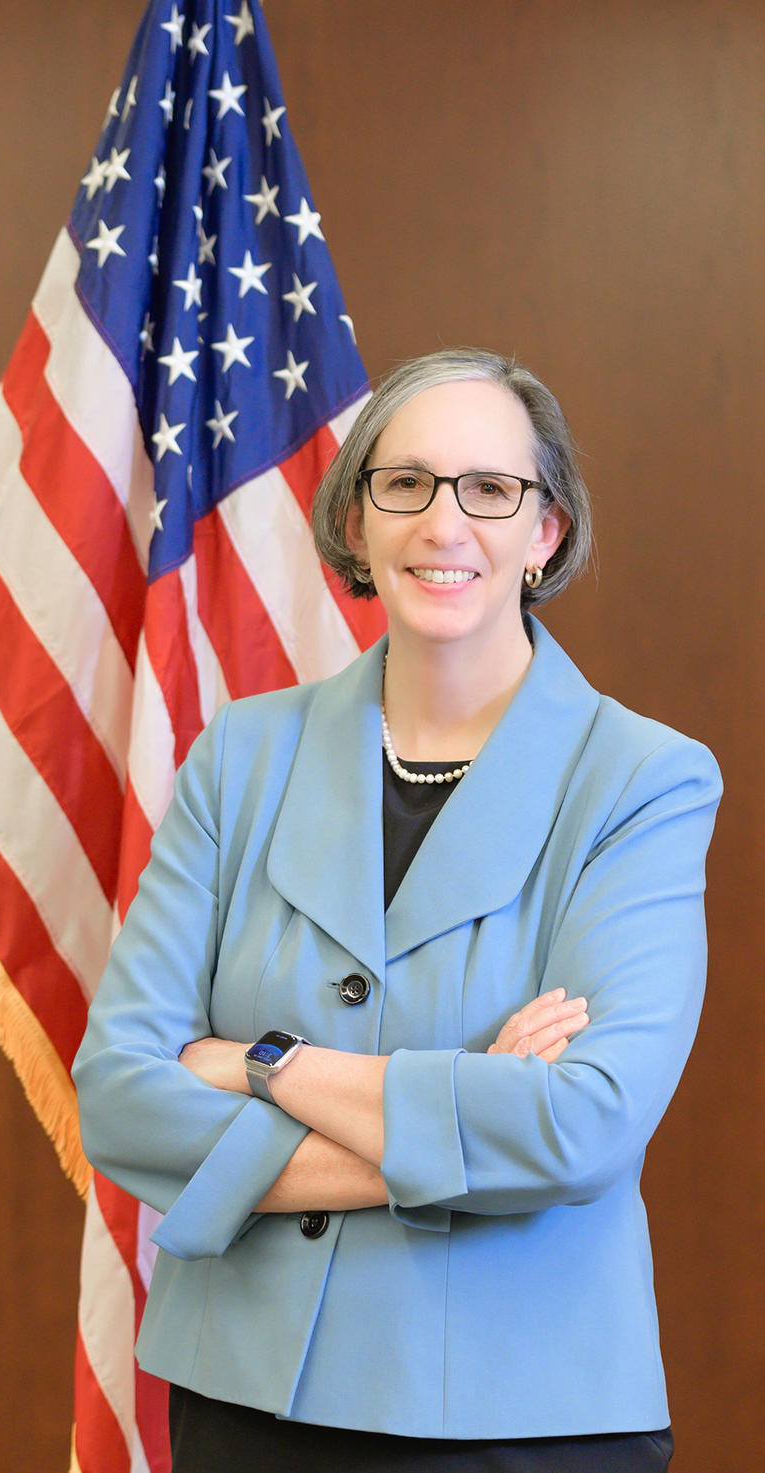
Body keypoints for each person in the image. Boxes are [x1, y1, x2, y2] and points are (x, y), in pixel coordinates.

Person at [73, 348, 722, 1472]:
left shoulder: (642, 779)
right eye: (404, 483)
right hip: (247, 1402)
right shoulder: (242, 755)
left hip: (526, 1416)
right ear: (356, 523)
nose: (443, 522)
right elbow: (121, 1099)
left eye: (489, 489)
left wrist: (259, 1063)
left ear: (544, 533)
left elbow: (584, 1125)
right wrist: (472, 1106)